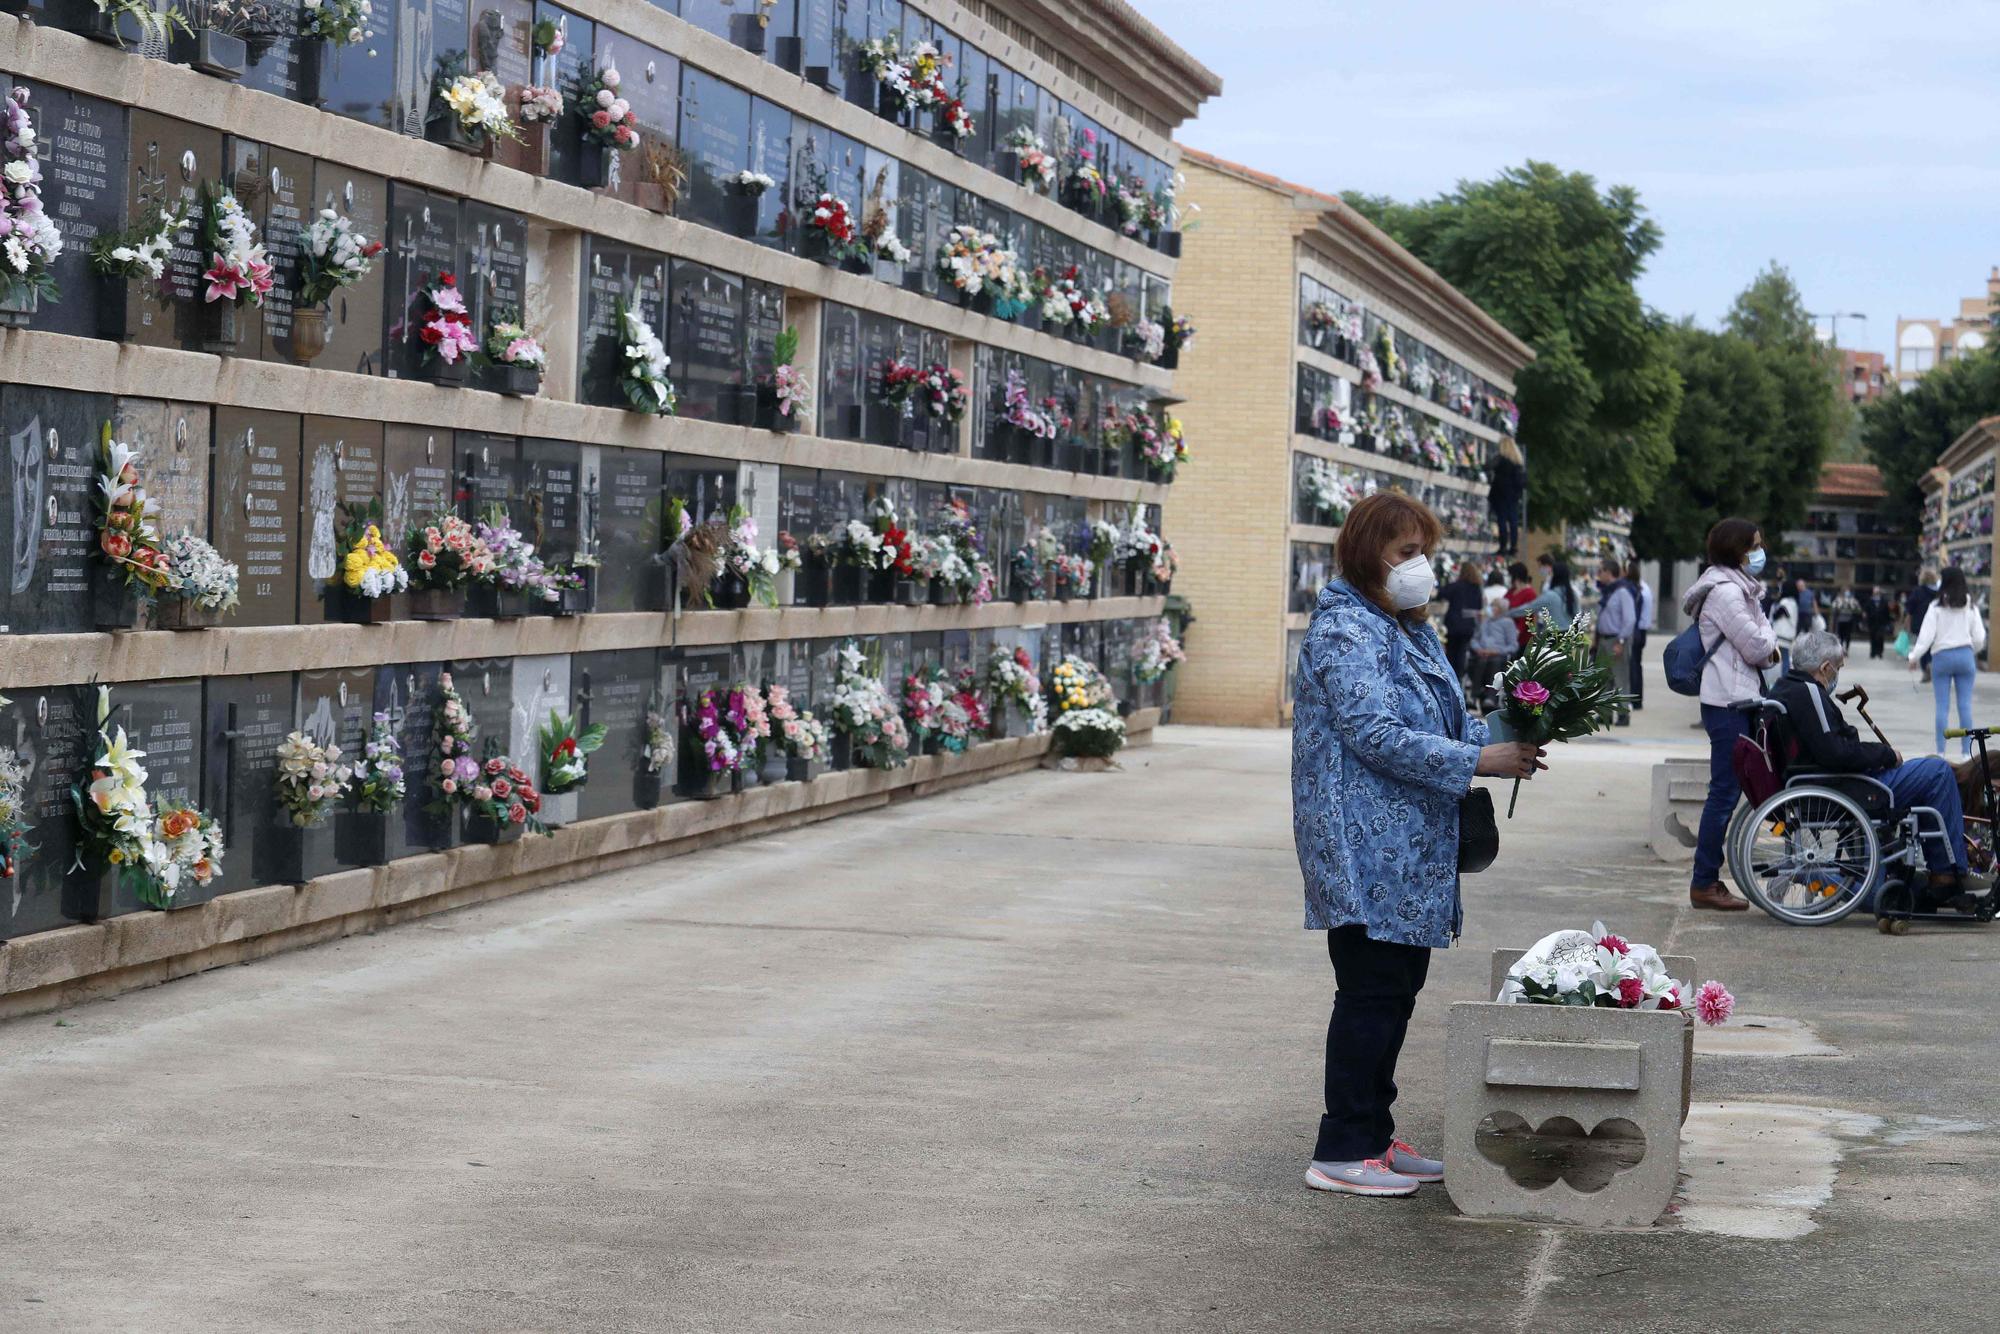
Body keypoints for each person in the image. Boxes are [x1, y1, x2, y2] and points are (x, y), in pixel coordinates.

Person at [1291, 492, 1546, 1198]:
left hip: (1410, 846)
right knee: (1370, 991)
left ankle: (1373, 1132)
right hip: (1361, 845)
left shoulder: (1408, 629)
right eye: (1407, 553)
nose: (1422, 567)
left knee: (1399, 990)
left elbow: (1446, 720)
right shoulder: (1345, 633)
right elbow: (1372, 734)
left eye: (1425, 551)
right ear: (1367, 554)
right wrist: (1477, 764)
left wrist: (1503, 741)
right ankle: (1341, 1147)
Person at [1774, 631, 1990, 910]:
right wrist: (1886, 754)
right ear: (1825, 668)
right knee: (1937, 772)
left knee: (1929, 773)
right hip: (1848, 785)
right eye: (1837, 669)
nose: (1837, 675)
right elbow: (1834, 751)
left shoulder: (1785, 688)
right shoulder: (1809, 693)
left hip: (1835, 780)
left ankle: (1939, 872)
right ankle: (1946, 875)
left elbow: (1829, 748)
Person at [1681, 517, 1779, 912]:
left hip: (1739, 698)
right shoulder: (1725, 593)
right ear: (1738, 551)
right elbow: (1759, 646)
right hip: (1727, 703)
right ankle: (1704, 881)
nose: (1760, 551)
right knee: (1723, 793)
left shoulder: (1743, 590)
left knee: (1729, 791)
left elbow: (1764, 636)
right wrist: (1770, 645)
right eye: (1754, 545)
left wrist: (1767, 642)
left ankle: (1707, 879)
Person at [1909, 566, 1986, 756]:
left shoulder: (1936, 606)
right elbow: (1979, 636)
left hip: (1942, 658)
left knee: (1942, 706)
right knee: (1965, 705)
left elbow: (1926, 636)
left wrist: (1914, 657)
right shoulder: (1970, 604)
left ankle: (1941, 752)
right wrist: (1971, 651)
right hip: (1965, 657)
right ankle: (1966, 752)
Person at [1593, 559, 1636, 726]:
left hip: (1615, 640)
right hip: (1603, 640)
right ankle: (1605, 713)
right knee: (1604, 679)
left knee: (1620, 678)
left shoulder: (1622, 592)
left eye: (1601, 571)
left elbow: (1629, 620)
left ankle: (1623, 714)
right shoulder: (1608, 592)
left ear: (1609, 573)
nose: (1598, 575)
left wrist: (1621, 640)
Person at [1440, 561, 1485, 686]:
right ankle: (1458, 679)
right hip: (1468, 625)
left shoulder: (1457, 586)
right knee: (1462, 652)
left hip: (1454, 624)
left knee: (1451, 653)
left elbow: (1442, 592)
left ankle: (1450, 678)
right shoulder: (1477, 588)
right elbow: (1479, 606)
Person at [1509, 561, 1578, 630]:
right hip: (1571, 635)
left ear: (1555, 576)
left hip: (1555, 636)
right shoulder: (1572, 594)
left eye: (1550, 573)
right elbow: (1578, 616)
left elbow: (1528, 608)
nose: (1548, 576)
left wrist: (1507, 613)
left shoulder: (1550, 596)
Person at [1487, 438, 1526, 556]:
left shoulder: (1501, 459)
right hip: (1513, 496)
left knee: (1502, 521)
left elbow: (1488, 466)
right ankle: (1513, 547)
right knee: (1513, 522)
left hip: (1500, 494)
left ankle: (1503, 546)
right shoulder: (1518, 461)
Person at [1625, 558, 1654, 712]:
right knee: (1637, 665)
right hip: (1641, 629)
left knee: (1634, 665)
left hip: (1637, 630)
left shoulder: (1636, 590)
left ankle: (1635, 699)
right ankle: (1637, 699)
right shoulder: (1643, 587)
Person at [1906, 570, 1940, 684]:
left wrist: (1908, 621)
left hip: (1919, 622)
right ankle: (1932, 663)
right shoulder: (1939, 591)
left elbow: (1910, 606)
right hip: (1936, 623)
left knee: (1922, 645)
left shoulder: (1918, 591)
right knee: (1933, 646)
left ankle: (1926, 668)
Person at [1505, 561, 1538, 650]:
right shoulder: (1511, 591)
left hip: (1523, 637)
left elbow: (1527, 616)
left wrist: (1517, 632)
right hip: (1508, 634)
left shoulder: (1529, 593)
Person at [1771, 584, 1799, 676]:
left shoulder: (1786, 602)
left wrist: (1775, 614)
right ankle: (1785, 677)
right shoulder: (1794, 602)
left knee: (1781, 659)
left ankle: (1784, 677)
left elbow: (1780, 612)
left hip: (1782, 635)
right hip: (1788, 635)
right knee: (1785, 658)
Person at [1866, 586, 1892, 660]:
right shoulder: (1870, 601)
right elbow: (1867, 611)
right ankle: (1873, 652)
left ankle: (1880, 652)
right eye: (1875, 592)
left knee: (1880, 638)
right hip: (1872, 622)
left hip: (1881, 623)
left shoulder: (1884, 601)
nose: (1876, 593)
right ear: (1873, 593)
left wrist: (1887, 622)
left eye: (1878, 592)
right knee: (1872, 637)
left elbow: (1887, 613)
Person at [1832, 587, 1861, 652]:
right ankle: (1842, 648)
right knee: (1841, 635)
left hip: (1849, 620)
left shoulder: (1852, 600)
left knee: (1848, 635)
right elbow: (1833, 606)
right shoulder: (1839, 599)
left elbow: (1858, 608)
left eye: (1848, 592)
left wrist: (1852, 607)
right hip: (1841, 620)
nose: (1846, 593)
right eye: (1845, 592)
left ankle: (1847, 649)